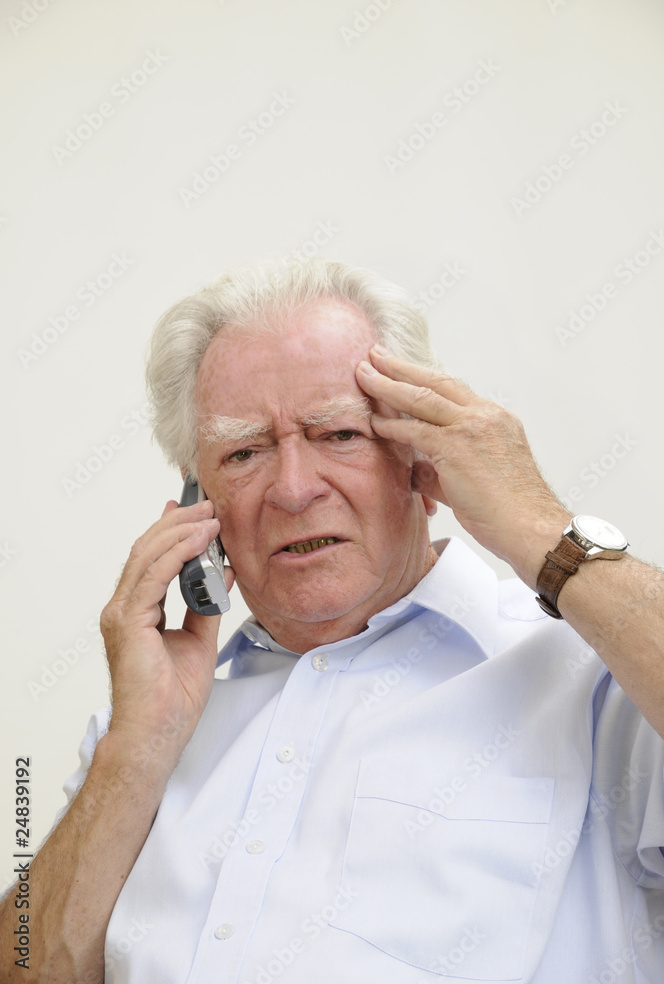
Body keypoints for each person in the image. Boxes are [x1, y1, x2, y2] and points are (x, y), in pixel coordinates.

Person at [2, 258, 663, 983]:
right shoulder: (144, 730)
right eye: (244, 451)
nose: (292, 489)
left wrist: (541, 529)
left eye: (339, 434)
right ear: (200, 502)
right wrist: (135, 752)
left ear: (424, 463)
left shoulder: (593, 678)